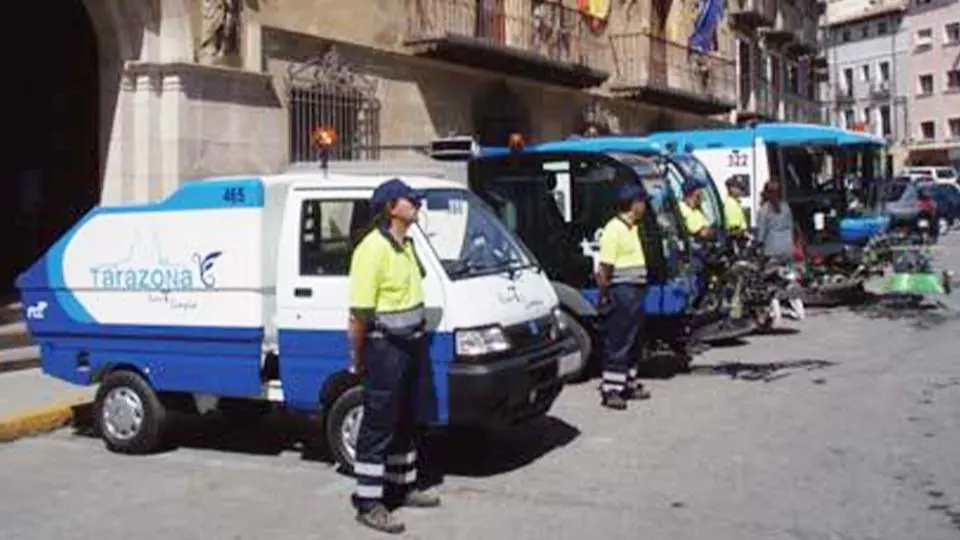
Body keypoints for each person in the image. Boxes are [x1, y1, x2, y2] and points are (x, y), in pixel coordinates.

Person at [348, 178, 440, 534]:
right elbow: (359, 314)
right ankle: (369, 502)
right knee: (378, 423)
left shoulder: (408, 245)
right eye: (409, 200)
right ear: (390, 208)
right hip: (385, 348)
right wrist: (357, 357)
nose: (416, 204)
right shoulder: (371, 250)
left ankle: (402, 486)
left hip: (412, 345)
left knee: (406, 416)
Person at [596, 182, 651, 410]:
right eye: (642, 202)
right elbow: (604, 267)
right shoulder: (614, 229)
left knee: (633, 339)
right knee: (619, 339)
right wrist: (605, 294)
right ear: (633, 204)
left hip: (635, 290)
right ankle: (612, 389)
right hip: (621, 290)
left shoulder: (632, 228)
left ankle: (628, 381)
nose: (645, 206)